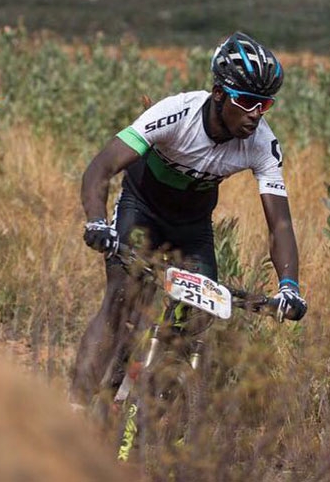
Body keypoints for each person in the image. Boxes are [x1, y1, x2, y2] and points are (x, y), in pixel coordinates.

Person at [69, 31, 307, 406]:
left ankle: (148, 404)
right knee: (119, 300)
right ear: (217, 94)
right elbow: (100, 168)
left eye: (265, 105)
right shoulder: (175, 113)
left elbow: (280, 224)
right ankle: (73, 410)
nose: (255, 115)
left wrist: (289, 285)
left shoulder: (262, 142)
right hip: (141, 209)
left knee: (196, 316)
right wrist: (97, 222)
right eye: (246, 101)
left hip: (192, 228)